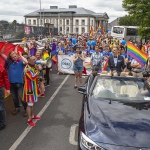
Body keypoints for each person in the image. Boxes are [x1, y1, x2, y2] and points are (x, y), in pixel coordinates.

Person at [0, 45, 28, 116]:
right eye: (13, 57)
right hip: (11, 83)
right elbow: (1, 53)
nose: (14, 58)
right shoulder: (9, 61)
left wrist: (21, 56)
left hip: (19, 83)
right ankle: (17, 108)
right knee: (14, 98)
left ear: (17, 55)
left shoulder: (21, 62)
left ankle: (26, 109)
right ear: (11, 58)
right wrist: (4, 45)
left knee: (22, 98)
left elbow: (26, 62)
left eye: (15, 56)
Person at [23, 56, 41, 127]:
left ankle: (33, 116)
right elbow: (32, 77)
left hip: (33, 88)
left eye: (35, 59)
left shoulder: (32, 66)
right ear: (29, 61)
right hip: (29, 89)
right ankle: (29, 120)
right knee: (29, 104)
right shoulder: (27, 68)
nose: (35, 60)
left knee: (32, 103)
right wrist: (38, 70)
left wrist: (37, 68)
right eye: (33, 59)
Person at [0, 65, 10, 131]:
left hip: (0, 88)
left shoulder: (1, 68)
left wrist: (8, 88)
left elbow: (5, 78)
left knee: (1, 108)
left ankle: (3, 123)